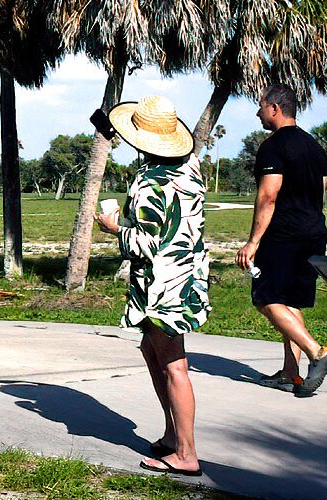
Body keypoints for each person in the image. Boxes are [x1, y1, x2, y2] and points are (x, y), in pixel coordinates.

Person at [93, 95, 210, 477]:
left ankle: (186, 451)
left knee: (174, 364)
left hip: (162, 283)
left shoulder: (147, 183)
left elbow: (147, 243)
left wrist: (114, 228)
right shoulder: (190, 169)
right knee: (152, 349)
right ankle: (172, 435)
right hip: (187, 275)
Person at [234, 84, 327, 397]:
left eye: (261, 106)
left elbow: (268, 196)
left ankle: (317, 353)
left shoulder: (273, 147)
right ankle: (290, 372)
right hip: (314, 231)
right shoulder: (314, 146)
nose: (258, 113)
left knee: (265, 298)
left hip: (283, 234)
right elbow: (321, 188)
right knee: (290, 301)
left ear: (274, 108)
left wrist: (252, 242)